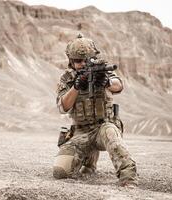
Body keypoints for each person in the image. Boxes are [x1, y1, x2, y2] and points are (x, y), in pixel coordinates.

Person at [53, 34, 138, 187]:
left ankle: (128, 178)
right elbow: (63, 107)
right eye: (78, 61)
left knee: (110, 132)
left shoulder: (102, 70)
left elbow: (118, 85)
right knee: (61, 172)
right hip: (81, 132)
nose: (83, 64)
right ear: (71, 61)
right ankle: (90, 161)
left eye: (87, 60)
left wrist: (106, 82)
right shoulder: (66, 78)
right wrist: (76, 86)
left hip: (103, 127)